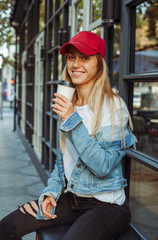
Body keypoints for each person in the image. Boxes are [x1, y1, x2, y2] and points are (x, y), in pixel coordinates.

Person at [0, 31, 137, 240]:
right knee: (6, 227)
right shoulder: (68, 103)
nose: (75, 64)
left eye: (85, 58)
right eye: (71, 57)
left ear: (99, 64)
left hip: (107, 206)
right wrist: (50, 193)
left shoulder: (113, 105)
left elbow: (103, 166)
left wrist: (71, 119)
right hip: (73, 199)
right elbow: (63, 160)